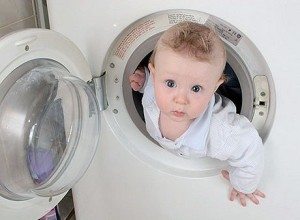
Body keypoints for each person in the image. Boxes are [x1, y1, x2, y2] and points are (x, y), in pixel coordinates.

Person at [129, 21, 265, 207]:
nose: (180, 99)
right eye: (170, 83)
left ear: (215, 87)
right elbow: (153, 86)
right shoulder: (153, 88)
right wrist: (144, 82)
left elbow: (251, 147)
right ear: (154, 75)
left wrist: (244, 184)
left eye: (196, 88)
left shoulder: (221, 131)